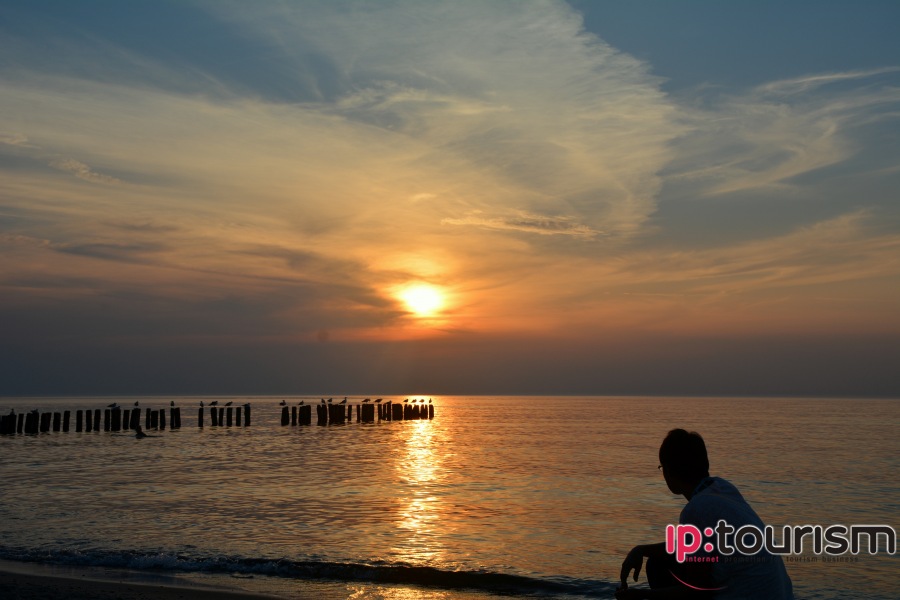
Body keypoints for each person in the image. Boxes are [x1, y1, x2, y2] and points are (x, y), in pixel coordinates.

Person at [616, 429, 793, 599]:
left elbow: (697, 591)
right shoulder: (722, 488)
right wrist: (641, 550)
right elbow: (693, 544)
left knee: (658, 567)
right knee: (658, 561)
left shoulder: (696, 510)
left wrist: (642, 596)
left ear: (669, 471)